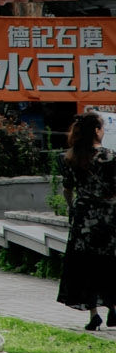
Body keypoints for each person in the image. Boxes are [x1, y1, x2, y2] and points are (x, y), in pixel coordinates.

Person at [58, 113, 116, 330]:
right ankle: (113, 307)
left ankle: (93, 314)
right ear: (96, 130)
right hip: (109, 217)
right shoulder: (110, 156)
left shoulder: (71, 158)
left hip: (83, 218)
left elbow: (67, 188)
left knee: (86, 265)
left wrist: (72, 207)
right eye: (101, 128)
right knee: (109, 262)